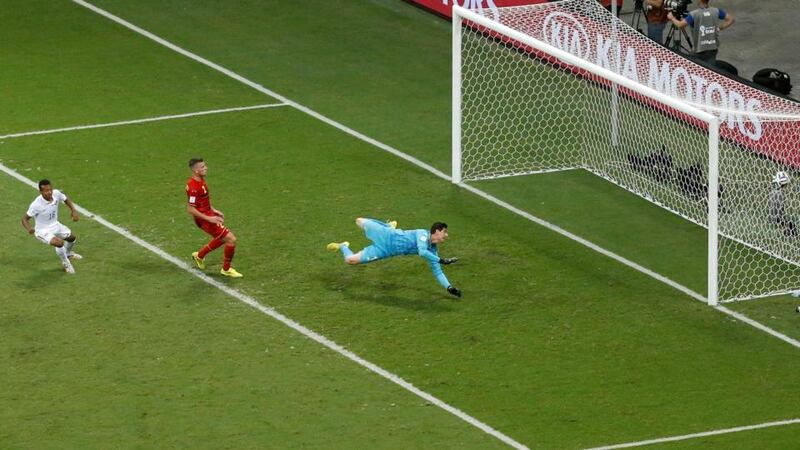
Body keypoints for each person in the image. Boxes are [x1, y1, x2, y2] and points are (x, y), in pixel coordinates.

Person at [327, 218, 462, 298]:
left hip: (385, 251)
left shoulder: (432, 250)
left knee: (350, 260)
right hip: (386, 234)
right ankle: (389, 226)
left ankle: (343, 245)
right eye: (445, 232)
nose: (446, 235)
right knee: (359, 220)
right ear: (437, 231)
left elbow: (437, 271)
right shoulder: (422, 234)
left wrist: (449, 287)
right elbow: (421, 251)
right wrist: (442, 260)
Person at [186, 158, 242, 277]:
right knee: (231, 240)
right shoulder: (193, 187)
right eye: (202, 167)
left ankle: (199, 256)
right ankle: (226, 269)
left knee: (223, 238)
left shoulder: (201, 180)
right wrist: (209, 218)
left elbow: (203, 200)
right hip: (204, 219)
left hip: (208, 215)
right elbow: (190, 209)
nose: (206, 168)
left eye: (205, 166)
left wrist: (213, 210)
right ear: (196, 170)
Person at [21, 179, 82, 273]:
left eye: (50, 189)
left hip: (55, 225)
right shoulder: (36, 205)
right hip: (42, 230)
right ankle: (66, 264)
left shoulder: (56, 194)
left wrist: (73, 210)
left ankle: (68, 253)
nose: (49, 192)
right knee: (59, 243)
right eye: (46, 191)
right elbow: (25, 219)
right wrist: (29, 229)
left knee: (72, 238)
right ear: (40, 192)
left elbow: (66, 199)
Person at [667, 0, 734, 64]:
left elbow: (680, 25)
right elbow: (731, 19)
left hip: (699, 50)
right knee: (710, 69)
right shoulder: (716, 11)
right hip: (712, 48)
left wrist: (672, 18)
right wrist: (718, 28)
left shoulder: (694, 14)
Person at [769, 171, 796, 237]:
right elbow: (779, 208)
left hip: (775, 214)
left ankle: (787, 228)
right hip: (776, 216)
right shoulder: (779, 193)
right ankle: (788, 229)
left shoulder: (775, 191)